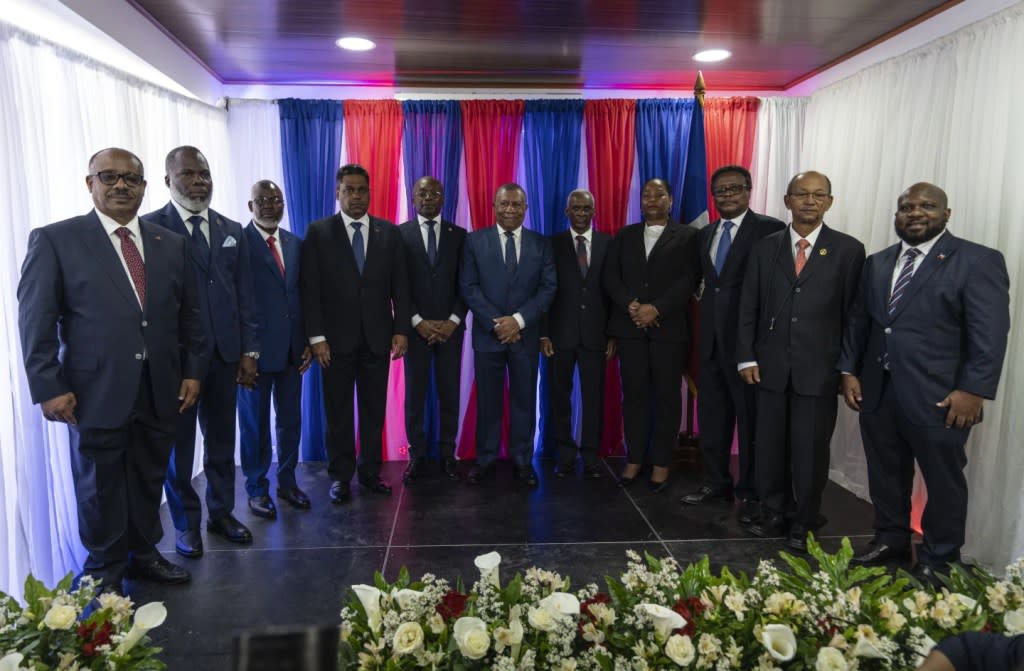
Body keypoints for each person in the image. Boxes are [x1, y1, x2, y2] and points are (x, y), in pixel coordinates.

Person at [18, 148, 206, 592]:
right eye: (109, 177)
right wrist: (48, 386)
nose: (121, 185)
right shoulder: (56, 240)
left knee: (147, 476)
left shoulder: (169, 243)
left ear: (144, 187)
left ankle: (144, 555)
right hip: (92, 391)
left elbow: (191, 317)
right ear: (90, 184)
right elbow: (36, 321)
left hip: (161, 388)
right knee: (99, 485)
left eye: (131, 179)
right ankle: (104, 569)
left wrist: (192, 371)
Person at [839, 183, 1009, 581]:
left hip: (941, 397)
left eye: (927, 206)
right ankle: (890, 539)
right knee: (885, 472)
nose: (915, 213)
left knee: (943, 479)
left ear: (946, 214)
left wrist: (973, 390)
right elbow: (859, 321)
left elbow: (990, 332)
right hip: (878, 391)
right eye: (906, 207)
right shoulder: (878, 262)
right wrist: (849, 371)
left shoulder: (977, 260)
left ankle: (941, 556)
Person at [736, 171, 865, 551]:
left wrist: (848, 368)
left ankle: (804, 519)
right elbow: (749, 305)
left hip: (819, 371)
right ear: (787, 200)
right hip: (769, 368)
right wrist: (746, 357)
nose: (810, 201)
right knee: (770, 446)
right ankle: (774, 510)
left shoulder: (848, 250)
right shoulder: (766, 247)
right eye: (802, 194)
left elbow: (854, 316)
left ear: (829, 201)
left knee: (810, 451)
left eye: (818, 195)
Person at [146, 145, 261, 558]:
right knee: (179, 449)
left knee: (220, 442)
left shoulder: (231, 228)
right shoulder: (148, 228)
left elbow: (246, 296)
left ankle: (222, 513)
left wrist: (251, 351)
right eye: (190, 174)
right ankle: (185, 525)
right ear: (168, 180)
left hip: (227, 356)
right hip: (177, 364)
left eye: (205, 174)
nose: (199, 181)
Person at [300, 164, 410, 504]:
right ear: (338, 193)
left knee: (374, 411)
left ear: (369, 192)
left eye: (362, 189)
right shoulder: (319, 232)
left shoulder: (388, 233)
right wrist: (316, 338)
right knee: (338, 412)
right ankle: (341, 477)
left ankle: (370, 472)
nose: (356, 196)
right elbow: (310, 289)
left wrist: (401, 330)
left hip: (377, 339)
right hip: (333, 343)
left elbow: (400, 287)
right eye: (349, 190)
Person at [681, 166, 784, 522]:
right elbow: (702, 284)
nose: (726, 196)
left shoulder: (770, 230)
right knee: (712, 417)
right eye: (720, 191)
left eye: (733, 189)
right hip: (709, 340)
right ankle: (715, 482)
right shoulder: (705, 233)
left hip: (749, 346)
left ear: (749, 190)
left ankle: (753, 490)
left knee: (752, 421)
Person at [603, 178, 699, 491]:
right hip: (630, 332)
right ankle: (634, 459)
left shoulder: (688, 236)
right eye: (646, 195)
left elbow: (689, 280)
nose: (652, 199)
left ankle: (661, 462)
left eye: (659, 194)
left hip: (668, 331)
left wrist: (656, 309)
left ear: (671, 200)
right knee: (634, 397)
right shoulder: (625, 235)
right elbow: (611, 277)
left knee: (667, 398)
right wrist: (631, 305)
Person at [460, 183, 556, 486]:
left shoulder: (541, 244)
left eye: (517, 204)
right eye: (505, 204)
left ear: (526, 208)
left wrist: (518, 321)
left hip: (524, 337)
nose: (510, 210)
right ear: (494, 206)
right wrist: (498, 323)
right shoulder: (474, 241)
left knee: (524, 401)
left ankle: (522, 461)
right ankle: (486, 459)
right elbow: (469, 287)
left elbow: (548, 287)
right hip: (489, 337)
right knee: (488, 401)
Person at [237, 180, 312, 519]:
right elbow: (236, 301)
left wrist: (308, 341)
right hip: (253, 356)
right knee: (255, 425)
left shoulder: (296, 244)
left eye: (277, 200)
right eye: (263, 200)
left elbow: (302, 296)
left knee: (290, 421)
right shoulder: (237, 242)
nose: (270, 205)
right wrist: (246, 352)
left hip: (291, 353)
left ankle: (287, 481)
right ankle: (256, 488)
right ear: (250, 205)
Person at [540, 189, 614, 479]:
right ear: (566, 212)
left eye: (586, 209)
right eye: (576, 209)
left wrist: (613, 334)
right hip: (559, 336)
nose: (581, 214)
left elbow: (613, 292)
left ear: (594, 212)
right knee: (559, 396)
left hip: (597, 336)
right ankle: (566, 454)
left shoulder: (609, 243)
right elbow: (544, 291)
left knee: (594, 397)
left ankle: (592, 455)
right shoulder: (552, 244)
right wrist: (543, 334)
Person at [398, 176, 466, 484]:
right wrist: (417, 321)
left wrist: (453, 320)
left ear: (443, 198)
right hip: (416, 330)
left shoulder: (460, 236)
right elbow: (397, 286)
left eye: (434, 193)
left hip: (450, 330)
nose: (428, 198)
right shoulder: (400, 235)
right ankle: (417, 455)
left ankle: (448, 453)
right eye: (422, 193)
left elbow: (466, 284)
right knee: (415, 396)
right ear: (413, 199)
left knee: (449, 392)